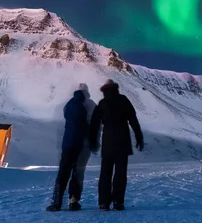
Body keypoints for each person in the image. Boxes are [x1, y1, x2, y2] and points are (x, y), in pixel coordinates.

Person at [90, 79, 144, 211]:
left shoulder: (102, 103)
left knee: (105, 173)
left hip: (108, 143)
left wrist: (93, 140)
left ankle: (103, 203)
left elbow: (94, 124)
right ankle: (118, 202)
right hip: (122, 142)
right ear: (116, 88)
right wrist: (139, 136)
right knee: (120, 173)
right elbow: (133, 120)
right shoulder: (123, 100)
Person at [46, 88, 88, 212]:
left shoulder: (68, 106)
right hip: (77, 144)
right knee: (76, 173)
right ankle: (73, 201)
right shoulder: (82, 109)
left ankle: (56, 202)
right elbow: (84, 126)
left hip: (67, 144)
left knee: (63, 173)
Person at [68, 83, 97, 209]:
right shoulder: (91, 104)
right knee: (79, 171)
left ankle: (61, 199)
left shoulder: (70, 104)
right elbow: (96, 125)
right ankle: (74, 198)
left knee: (69, 170)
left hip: (71, 142)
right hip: (85, 143)